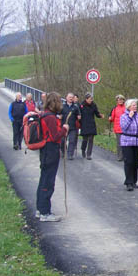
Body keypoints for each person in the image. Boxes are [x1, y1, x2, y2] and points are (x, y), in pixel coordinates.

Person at [36, 92, 69, 222]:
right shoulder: (50, 117)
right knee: (48, 181)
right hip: (51, 149)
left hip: (45, 149)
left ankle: (40, 209)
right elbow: (55, 136)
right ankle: (45, 212)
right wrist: (65, 129)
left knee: (44, 178)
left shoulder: (44, 114)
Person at [120, 98, 138, 191]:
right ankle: (129, 182)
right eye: (133, 105)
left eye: (136, 105)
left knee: (136, 162)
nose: (135, 107)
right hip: (127, 142)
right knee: (129, 161)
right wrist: (130, 118)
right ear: (128, 106)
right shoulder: (124, 116)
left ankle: (134, 181)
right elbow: (123, 127)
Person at [79, 93, 104, 160]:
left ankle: (89, 154)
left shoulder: (93, 105)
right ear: (86, 99)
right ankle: (83, 150)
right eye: (90, 99)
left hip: (91, 124)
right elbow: (78, 114)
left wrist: (100, 115)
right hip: (84, 124)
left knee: (91, 140)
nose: (91, 100)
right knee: (85, 140)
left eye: (92, 99)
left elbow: (96, 113)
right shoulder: (81, 105)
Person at [61, 93, 81, 160]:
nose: (71, 98)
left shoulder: (75, 107)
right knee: (63, 141)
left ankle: (70, 154)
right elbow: (58, 115)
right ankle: (64, 152)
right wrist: (59, 116)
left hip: (72, 127)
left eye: (72, 97)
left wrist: (79, 117)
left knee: (72, 141)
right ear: (66, 97)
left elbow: (79, 115)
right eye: (69, 97)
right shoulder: (62, 106)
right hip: (64, 127)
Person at [109, 94, 127, 161]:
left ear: (123, 100)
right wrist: (110, 118)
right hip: (117, 128)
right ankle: (119, 156)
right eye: (119, 100)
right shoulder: (115, 108)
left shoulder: (126, 108)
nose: (120, 101)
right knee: (119, 143)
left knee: (125, 143)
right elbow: (112, 118)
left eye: (121, 99)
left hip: (125, 128)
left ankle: (124, 156)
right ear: (117, 101)